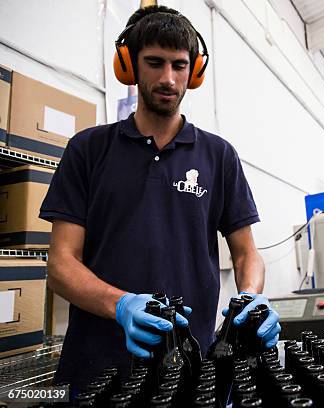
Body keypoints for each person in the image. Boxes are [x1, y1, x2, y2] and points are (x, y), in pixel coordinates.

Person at [39, 5, 280, 393]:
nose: (168, 78)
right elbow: (61, 264)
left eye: (179, 65)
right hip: (96, 368)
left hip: (189, 367)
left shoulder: (219, 156)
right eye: (154, 63)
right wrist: (121, 305)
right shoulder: (88, 149)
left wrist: (252, 297)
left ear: (194, 72)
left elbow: (245, 252)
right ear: (130, 67)